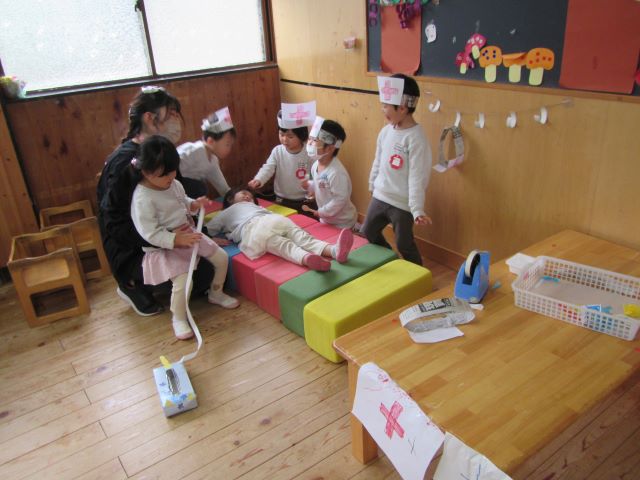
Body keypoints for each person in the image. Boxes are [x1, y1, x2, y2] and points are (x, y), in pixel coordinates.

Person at [98, 85, 213, 316]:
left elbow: (179, 197)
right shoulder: (125, 162)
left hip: (167, 232)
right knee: (189, 277)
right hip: (137, 244)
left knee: (206, 274)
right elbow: (115, 224)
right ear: (150, 118)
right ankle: (131, 284)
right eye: (171, 115)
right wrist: (166, 240)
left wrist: (201, 235)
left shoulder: (163, 152)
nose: (176, 121)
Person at [130, 136, 239, 340]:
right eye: (164, 175)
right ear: (146, 172)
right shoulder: (142, 198)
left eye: (173, 172)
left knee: (222, 258)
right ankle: (178, 318)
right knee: (183, 280)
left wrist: (193, 204)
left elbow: (182, 200)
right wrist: (175, 240)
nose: (170, 178)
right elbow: (149, 233)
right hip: (166, 244)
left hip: (188, 233)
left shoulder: (173, 183)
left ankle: (216, 293)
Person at [361, 74, 433, 266]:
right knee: (367, 232)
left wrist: (416, 209)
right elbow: (378, 160)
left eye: (386, 105)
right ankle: (390, 259)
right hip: (381, 196)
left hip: (402, 204)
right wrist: (372, 183)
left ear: (402, 107)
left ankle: (418, 273)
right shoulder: (386, 131)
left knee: (404, 243)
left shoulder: (416, 138)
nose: (382, 109)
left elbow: (418, 177)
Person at [206, 187, 354, 272]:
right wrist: (211, 239)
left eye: (250, 196)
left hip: (273, 220)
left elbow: (268, 213)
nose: (248, 195)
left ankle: (334, 250)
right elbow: (209, 227)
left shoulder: (258, 207)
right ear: (230, 199)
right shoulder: (227, 212)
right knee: (283, 245)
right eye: (243, 193)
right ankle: (307, 258)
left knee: (301, 237)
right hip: (253, 229)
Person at [248, 103, 316, 213]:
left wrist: (314, 189)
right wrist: (259, 179)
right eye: (281, 134)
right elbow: (268, 168)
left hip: (304, 200)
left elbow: (316, 172)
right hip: (281, 199)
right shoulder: (277, 151)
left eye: (290, 136)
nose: (284, 139)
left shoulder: (309, 152)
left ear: (301, 136)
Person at [301, 117, 357, 229]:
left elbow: (340, 199)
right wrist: (310, 186)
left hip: (342, 222)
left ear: (329, 148)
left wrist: (322, 211)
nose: (309, 143)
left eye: (315, 140)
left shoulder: (336, 173)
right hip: (326, 219)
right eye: (310, 139)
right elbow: (320, 185)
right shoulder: (316, 165)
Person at [177, 106, 236, 199]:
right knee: (199, 187)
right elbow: (172, 168)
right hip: (175, 187)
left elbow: (220, 184)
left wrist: (231, 197)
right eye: (227, 144)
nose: (229, 149)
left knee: (201, 188)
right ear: (210, 141)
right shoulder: (195, 150)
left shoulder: (213, 160)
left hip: (191, 192)